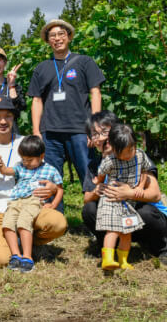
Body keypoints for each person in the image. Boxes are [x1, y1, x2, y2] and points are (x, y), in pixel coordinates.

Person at [0, 96, 67, 269]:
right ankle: (13, 242)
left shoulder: (26, 144)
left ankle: (26, 243)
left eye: (8, 116)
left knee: (58, 223)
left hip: (31, 206)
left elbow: (47, 173)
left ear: (14, 118)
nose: (3, 121)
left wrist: (53, 188)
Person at [82, 111, 167, 265]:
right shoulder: (96, 164)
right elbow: (87, 199)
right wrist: (96, 192)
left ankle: (161, 249)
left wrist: (130, 193)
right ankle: (106, 248)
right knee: (90, 210)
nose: (101, 138)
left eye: (105, 132)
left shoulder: (137, 157)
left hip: (143, 217)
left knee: (145, 212)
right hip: (115, 216)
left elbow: (155, 195)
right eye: (95, 134)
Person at [28, 19, 105, 209]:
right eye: (52, 35)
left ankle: (95, 220)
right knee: (51, 178)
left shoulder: (85, 62)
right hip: (50, 131)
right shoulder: (41, 68)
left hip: (80, 129)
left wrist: (94, 127)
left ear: (69, 37)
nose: (57, 38)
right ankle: (55, 221)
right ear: (48, 41)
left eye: (61, 34)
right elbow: (36, 100)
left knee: (89, 176)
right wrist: (36, 131)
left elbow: (95, 92)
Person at [0, 136, 63, 272]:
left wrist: (53, 204)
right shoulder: (20, 167)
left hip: (33, 200)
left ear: (41, 156)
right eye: (24, 159)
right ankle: (16, 255)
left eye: (30, 160)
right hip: (15, 200)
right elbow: (5, 171)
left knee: (23, 222)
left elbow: (60, 188)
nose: (26, 163)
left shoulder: (50, 170)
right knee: (7, 223)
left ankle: (27, 257)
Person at [91, 123, 150, 270]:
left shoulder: (140, 155)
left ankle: (123, 260)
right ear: (113, 148)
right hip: (111, 198)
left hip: (128, 201)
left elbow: (144, 171)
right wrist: (98, 183)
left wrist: (141, 187)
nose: (127, 155)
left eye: (130, 150)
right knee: (113, 230)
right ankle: (108, 259)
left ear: (134, 144)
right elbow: (101, 173)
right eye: (122, 152)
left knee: (127, 232)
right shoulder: (110, 160)